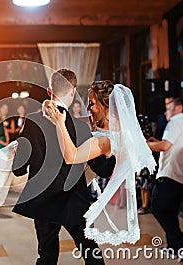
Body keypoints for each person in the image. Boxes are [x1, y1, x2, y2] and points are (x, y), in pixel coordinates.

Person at [12, 71, 117, 265]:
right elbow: (103, 170)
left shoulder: (32, 122)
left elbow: (18, 169)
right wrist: (112, 154)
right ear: (73, 91)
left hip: (42, 200)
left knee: (47, 257)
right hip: (73, 201)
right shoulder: (82, 127)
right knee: (91, 253)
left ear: (49, 91)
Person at [43, 80, 156, 247]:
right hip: (62, 191)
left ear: (107, 107)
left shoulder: (105, 140)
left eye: (92, 103)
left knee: (88, 249)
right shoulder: (100, 125)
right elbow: (72, 120)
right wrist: (50, 104)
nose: (88, 108)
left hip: (73, 194)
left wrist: (59, 122)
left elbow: (71, 156)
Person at [147, 97, 183, 260]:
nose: (165, 111)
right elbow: (169, 144)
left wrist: (145, 144)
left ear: (178, 108)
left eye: (168, 107)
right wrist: (157, 142)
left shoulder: (175, 122)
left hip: (171, 174)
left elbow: (164, 146)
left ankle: (181, 241)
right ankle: (174, 246)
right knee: (170, 211)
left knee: (158, 207)